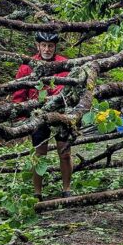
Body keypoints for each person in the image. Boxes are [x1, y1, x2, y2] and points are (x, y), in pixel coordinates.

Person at [11, 31, 73, 201]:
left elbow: (72, 91)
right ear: (38, 46)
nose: (47, 49)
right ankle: (37, 193)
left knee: (65, 152)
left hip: (61, 113)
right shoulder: (27, 66)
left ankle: (66, 189)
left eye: (50, 46)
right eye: (44, 45)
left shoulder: (64, 64)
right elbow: (19, 93)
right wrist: (22, 119)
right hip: (37, 115)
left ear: (55, 47)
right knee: (40, 155)